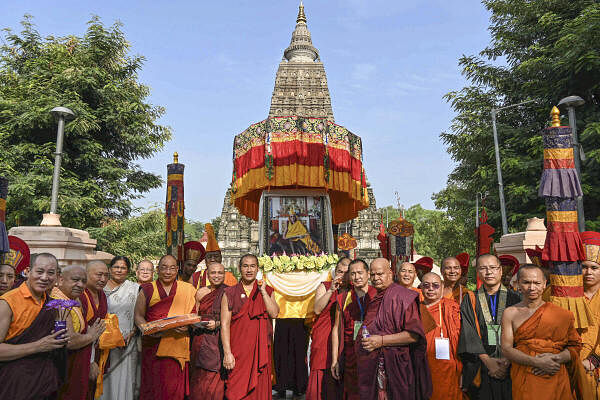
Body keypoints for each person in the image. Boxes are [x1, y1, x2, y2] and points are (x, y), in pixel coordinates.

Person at [501, 264, 581, 400]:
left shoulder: (562, 314)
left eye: (537, 283)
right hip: (525, 374)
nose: (532, 288)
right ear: (518, 284)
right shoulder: (510, 313)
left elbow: (575, 347)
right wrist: (536, 362)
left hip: (555, 372)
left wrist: (554, 359)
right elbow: (507, 349)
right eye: (526, 282)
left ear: (544, 284)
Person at [356, 258, 432, 399]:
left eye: (380, 274)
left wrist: (382, 340)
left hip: (396, 366)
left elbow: (413, 335)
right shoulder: (374, 297)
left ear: (390, 274)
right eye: (372, 275)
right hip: (374, 365)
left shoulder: (404, 296)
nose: (376, 278)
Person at [0, 253, 68, 399]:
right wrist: (38, 345)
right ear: (27, 271)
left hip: (43, 383)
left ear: (56, 277)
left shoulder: (51, 305)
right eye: (39, 271)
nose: (44, 277)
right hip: (13, 384)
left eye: (50, 273)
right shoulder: (8, 302)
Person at [458, 254, 521, 400]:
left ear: (500, 270)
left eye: (493, 268)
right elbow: (469, 332)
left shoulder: (515, 298)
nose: (489, 272)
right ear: (478, 273)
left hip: (511, 366)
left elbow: (522, 333)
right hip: (481, 365)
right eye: (483, 268)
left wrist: (506, 361)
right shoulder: (470, 298)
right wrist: (488, 362)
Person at [135, 254, 197, 400]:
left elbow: (194, 315)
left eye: (171, 268)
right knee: (153, 386)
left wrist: (188, 328)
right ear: (157, 269)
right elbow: (138, 315)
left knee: (174, 388)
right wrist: (147, 329)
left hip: (177, 344)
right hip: (153, 345)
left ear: (177, 270)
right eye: (164, 268)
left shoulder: (187, 289)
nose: (168, 272)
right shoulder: (147, 289)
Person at [220, 254, 279, 400]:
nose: (249, 270)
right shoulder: (230, 293)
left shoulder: (268, 291)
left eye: (252, 266)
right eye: (245, 266)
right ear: (240, 268)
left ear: (257, 269)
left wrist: (263, 292)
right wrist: (227, 353)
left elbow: (274, 313)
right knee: (235, 391)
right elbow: (224, 324)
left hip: (260, 352)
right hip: (239, 352)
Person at [54, 265, 105, 400]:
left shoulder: (75, 300)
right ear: (60, 279)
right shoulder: (58, 301)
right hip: (64, 367)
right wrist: (91, 336)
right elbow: (69, 341)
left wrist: (91, 361)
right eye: (75, 280)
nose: (80, 285)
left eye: (83, 281)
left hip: (78, 365)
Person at [330, 259, 377, 400]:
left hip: (373, 351)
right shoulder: (343, 298)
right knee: (353, 392)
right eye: (353, 274)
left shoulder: (378, 294)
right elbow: (336, 329)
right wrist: (334, 359)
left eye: (360, 273)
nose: (357, 277)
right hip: (351, 354)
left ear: (368, 274)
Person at [306, 257, 350, 400]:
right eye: (339, 271)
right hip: (324, 336)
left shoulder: (353, 290)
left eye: (346, 273)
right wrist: (331, 290)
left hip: (344, 335)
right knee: (321, 369)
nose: (342, 276)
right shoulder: (324, 286)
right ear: (334, 272)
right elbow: (317, 309)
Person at [101, 256, 140, 400]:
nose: (119, 270)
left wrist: (133, 332)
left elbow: (140, 314)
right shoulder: (100, 286)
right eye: (116, 267)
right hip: (102, 342)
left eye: (123, 268)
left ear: (128, 271)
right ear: (110, 269)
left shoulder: (135, 288)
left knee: (123, 379)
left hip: (126, 342)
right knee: (104, 377)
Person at [421, 272, 464, 400]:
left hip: (446, 367)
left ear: (442, 286)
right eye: (426, 285)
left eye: (435, 286)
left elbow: (459, 339)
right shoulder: (415, 308)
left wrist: (462, 369)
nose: (430, 289)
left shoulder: (451, 307)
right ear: (421, 287)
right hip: (422, 365)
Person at [190, 262, 228, 400]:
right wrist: (194, 323)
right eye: (213, 273)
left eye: (220, 273)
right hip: (201, 338)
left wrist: (217, 323)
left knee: (216, 379)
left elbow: (234, 318)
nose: (216, 276)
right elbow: (194, 314)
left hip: (219, 340)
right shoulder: (200, 292)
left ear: (224, 274)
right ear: (207, 274)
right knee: (199, 377)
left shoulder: (229, 292)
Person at [575, 231, 600, 398]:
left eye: (594, 268)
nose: (589, 272)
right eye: (584, 267)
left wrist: (594, 359)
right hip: (571, 364)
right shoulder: (566, 295)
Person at [82, 260, 110, 399]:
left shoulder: (102, 295)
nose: (103, 279)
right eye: (99, 275)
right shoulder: (80, 295)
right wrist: (90, 361)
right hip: (82, 354)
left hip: (97, 351)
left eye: (106, 275)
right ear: (86, 274)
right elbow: (80, 332)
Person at [191, 223, 237, 288]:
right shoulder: (196, 277)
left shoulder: (229, 277)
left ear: (221, 258)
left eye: (216, 256)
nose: (212, 259)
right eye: (209, 257)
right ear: (205, 259)